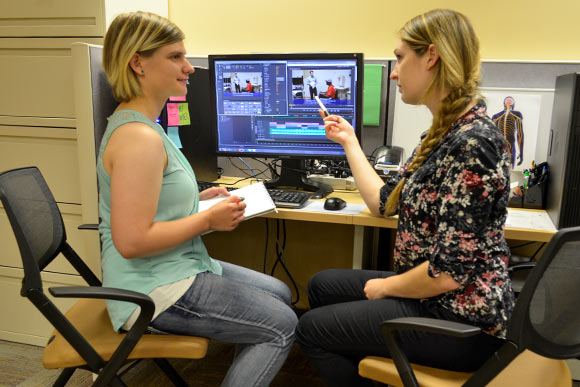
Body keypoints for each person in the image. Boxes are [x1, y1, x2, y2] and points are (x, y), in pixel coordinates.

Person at [295, 9, 515, 387]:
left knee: (311, 330)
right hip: (434, 296)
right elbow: (385, 204)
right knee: (321, 285)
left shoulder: (474, 143)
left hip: (461, 320)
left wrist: (385, 288)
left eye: (399, 58)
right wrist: (349, 142)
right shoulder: (447, 132)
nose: (393, 72)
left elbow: (447, 274)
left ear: (431, 56)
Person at [99, 11, 297, 386]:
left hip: (175, 266)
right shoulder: (139, 139)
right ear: (137, 63)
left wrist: (199, 201)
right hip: (152, 289)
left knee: (280, 292)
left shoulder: (143, 127)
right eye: (175, 57)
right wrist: (207, 220)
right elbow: (131, 240)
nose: (189, 67)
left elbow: (152, 204)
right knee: (282, 326)